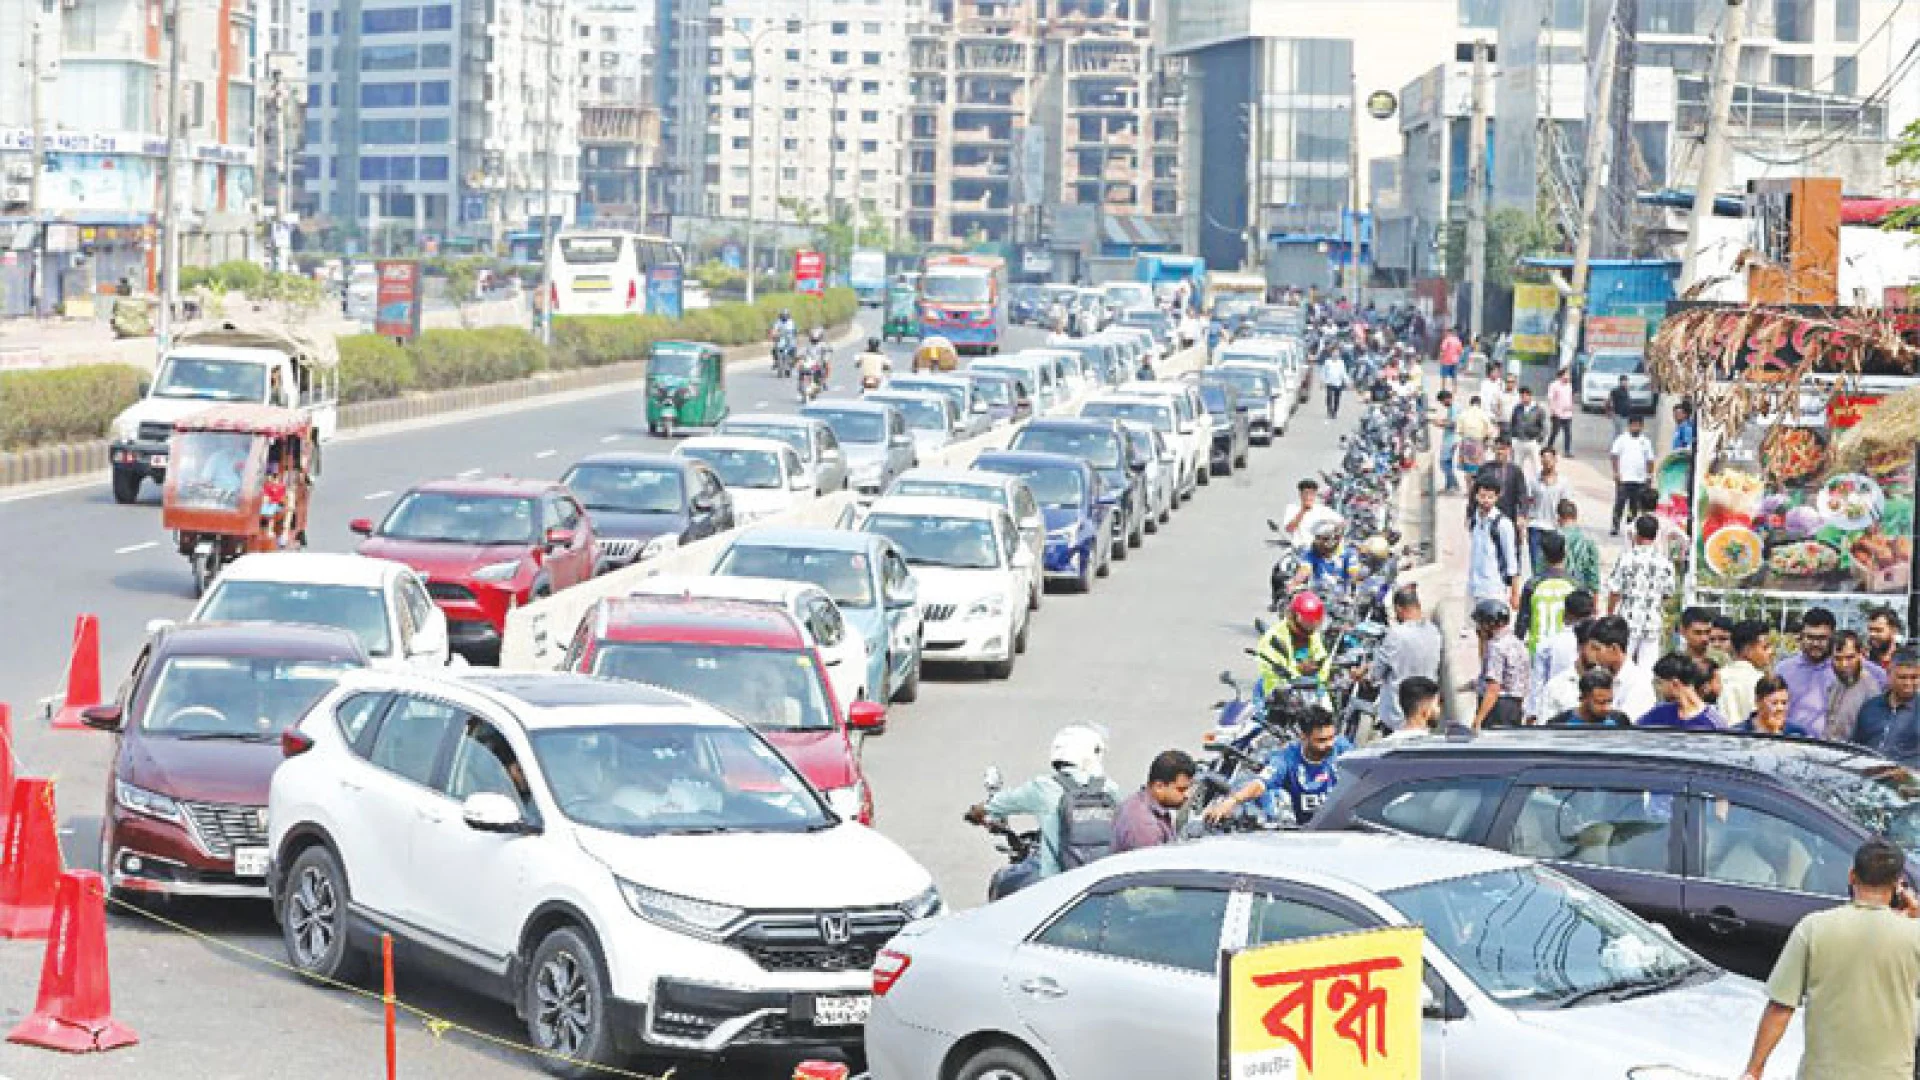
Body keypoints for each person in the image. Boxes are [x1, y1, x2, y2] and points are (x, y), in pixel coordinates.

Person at [1738, 838, 1920, 1080]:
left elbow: (1780, 1007)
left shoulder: (1813, 928)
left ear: (1852, 876)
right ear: (1898, 885)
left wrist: (1754, 1069)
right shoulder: (1914, 934)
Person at [965, 725, 1121, 880]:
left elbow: (999, 804)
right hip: (1103, 882)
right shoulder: (1110, 789)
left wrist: (977, 812)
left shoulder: (1043, 787)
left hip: (1057, 884)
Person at [1204, 708, 1352, 826]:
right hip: (1306, 832)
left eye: (1332, 737)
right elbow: (1260, 784)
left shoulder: (1343, 748)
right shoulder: (1286, 758)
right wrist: (1232, 801)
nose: (1329, 744)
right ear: (1304, 737)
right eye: (1321, 740)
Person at [1368, 585, 1442, 736]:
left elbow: (1376, 674)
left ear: (1399, 609)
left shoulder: (1396, 635)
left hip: (1399, 714)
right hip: (1425, 710)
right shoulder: (1434, 632)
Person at [1606, 515, 1675, 667]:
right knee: (1647, 670)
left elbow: (1615, 590)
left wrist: (1610, 614)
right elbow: (1668, 594)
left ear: (1636, 534)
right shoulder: (1665, 562)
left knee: (1622, 665)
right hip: (1652, 622)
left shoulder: (1626, 559)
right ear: (1656, 535)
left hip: (1628, 621)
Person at [1527, 590, 1593, 723]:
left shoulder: (1548, 644)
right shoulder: (1599, 644)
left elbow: (1538, 683)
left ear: (1565, 614)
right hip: (1590, 709)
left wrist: (1532, 714)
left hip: (1555, 706)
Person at [1111, 750, 1195, 854]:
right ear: (1159, 787)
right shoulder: (1143, 824)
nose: (1187, 795)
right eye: (1181, 790)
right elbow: (1156, 866)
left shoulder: (1147, 804)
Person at [1776, 607, 1840, 738]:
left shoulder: (1843, 670)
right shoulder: (1783, 670)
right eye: (1810, 637)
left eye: (1822, 638)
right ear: (1801, 636)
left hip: (1831, 748)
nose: (1815, 643)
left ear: (1833, 637)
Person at [1854, 646, 1920, 766]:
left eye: (1914, 677)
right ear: (1889, 675)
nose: (1908, 683)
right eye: (1902, 677)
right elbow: (1855, 748)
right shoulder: (1869, 708)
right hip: (1867, 778)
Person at [1472, 599, 1530, 729]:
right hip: (1515, 706)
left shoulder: (1496, 647)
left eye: (1481, 623)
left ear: (1490, 623)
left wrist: (1479, 719)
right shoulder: (1517, 643)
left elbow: (1493, 687)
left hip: (1497, 708)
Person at [1516, 531, 1576, 655]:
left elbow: (1522, 623)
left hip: (1537, 651)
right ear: (1565, 553)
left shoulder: (1532, 585)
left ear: (1542, 555)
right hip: (1567, 653)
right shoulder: (1574, 585)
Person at [1256, 592, 1330, 690]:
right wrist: (1299, 670)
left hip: (1307, 691)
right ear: (1294, 616)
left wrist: (1318, 677)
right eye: (1306, 621)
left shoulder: (1313, 635)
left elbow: (1323, 660)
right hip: (1275, 692)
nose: (1310, 626)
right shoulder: (1275, 636)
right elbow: (1271, 670)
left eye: (1314, 622)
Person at [1824, 630, 1888, 743]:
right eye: (1838, 658)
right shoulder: (1836, 684)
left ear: (1860, 654)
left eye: (1850, 658)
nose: (1844, 664)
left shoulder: (1871, 691)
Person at [1589, 615, 1658, 719]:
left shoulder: (1639, 685)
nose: (1592, 654)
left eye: (1597, 649)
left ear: (1614, 649)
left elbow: (1625, 727)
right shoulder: (1595, 675)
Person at [1468, 475, 1522, 607]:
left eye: (1490, 497)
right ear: (1476, 496)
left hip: (1493, 590)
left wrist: (1515, 594)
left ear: (1497, 498)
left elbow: (1512, 561)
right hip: (1473, 588)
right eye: (1482, 496)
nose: (1486, 500)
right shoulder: (1475, 520)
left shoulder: (1503, 524)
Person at [1638, 653, 1727, 729]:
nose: (1658, 688)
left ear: (1674, 684)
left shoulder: (1713, 723)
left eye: (1659, 683)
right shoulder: (1659, 713)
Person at [1719, 619, 1774, 728]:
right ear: (1747, 650)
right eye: (1765, 647)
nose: (1771, 652)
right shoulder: (1761, 681)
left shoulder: (1718, 676)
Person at [1524, 449, 1569, 573]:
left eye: (1549, 459)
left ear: (1555, 460)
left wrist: (1565, 524)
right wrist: (1524, 523)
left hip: (1554, 528)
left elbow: (1564, 504)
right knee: (1536, 565)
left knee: (1553, 566)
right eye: (1544, 459)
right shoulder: (1533, 481)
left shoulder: (1563, 482)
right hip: (1536, 526)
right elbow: (1527, 502)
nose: (1546, 462)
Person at [1610, 414, 1656, 535]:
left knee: (1634, 505)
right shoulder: (1621, 439)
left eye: (1638, 425)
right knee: (1620, 503)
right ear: (1629, 425)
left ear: (1642, 426)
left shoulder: (1645, 442)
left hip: (1639, 479)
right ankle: (1615, 525)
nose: (1635, 427)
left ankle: (1631, 526)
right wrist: (1616, 472)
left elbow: (1650, 460)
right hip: (1624, 478)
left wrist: (1649, 475)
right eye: (1633, 425)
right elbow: (1614, 456)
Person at [1293, 519, 1360, 597]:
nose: (1317, 542)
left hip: (1341, 601)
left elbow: (1354, 574)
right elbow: (1303, 571)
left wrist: (1353, 592)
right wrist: (1293, 584)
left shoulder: (1349, 553)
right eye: (1317, 537)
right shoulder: (1311, 553)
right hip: (1317, 598)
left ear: (1335, 539)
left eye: (1322, 538)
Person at [1550, 669, 1632, 727]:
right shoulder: (1558, 726)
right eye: (1600, 702)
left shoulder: (1620, 721)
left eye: (1609, 701)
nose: (1607, 708)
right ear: (1583, 698)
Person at [1281, 478, 1344, 551]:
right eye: (1305, 493)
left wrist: (1332, 535)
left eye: (1311, 493)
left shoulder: (1322, 510)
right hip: (1298, 550)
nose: (1308, 496)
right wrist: (1303, 511)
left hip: (1319, 551)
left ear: (1315, 495)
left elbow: (1341, 522)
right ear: (1300, 494)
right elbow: (1289, 528)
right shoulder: (1292, 508)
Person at [1740, 675, 1810, 737]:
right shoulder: (1738, 735)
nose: (1780, 708)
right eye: (1774, 703)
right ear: (1758, 702)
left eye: (1784, 703)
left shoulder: (1798, 734)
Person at [1557, 498, 1601, 594]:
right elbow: (1593, 572)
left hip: (1558, 590)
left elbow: (1542, 569)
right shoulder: (1589, 540)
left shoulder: (1554, 538)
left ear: (1558, 518)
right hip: (1581, 592)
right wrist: (1595, 599)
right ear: (1576, 516)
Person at [1509, 385, 1547, 479]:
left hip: (1532, 441)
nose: (1524, 398)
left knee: (1537, 466)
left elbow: (1544, 427)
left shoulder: (1538, 409)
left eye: (1526, 395)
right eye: (1522, 396)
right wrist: (1513, 438)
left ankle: (1539, 484)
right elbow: (1513, 423)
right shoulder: (1517, 408)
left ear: (1530, 396)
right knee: (1517, 466)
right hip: (1519, 441)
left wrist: (1538, 440)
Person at [1455, 394, 1493, 481]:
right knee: (1478, 468)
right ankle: (1476, 490)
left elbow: (1459, 431)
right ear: (1479, 404)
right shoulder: (1483, 413)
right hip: (1478, 443)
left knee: (1468, 469)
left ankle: (1469, 491)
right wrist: (1487, 441)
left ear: (1470, 403)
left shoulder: (1463, 413)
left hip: (1466, 443)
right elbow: (1490, 431)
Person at [1433, 389, 1460, 494]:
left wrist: (1439, 424)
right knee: (1447, 463)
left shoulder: (1454, 408)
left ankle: (1453, 485)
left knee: (1444, 463)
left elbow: (1453, 424)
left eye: (1442, 401)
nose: (1442, 404)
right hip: (1450, 439)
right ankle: (1449, 486)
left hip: (1452, 440)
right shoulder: (1453, 408)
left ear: (1447, 399)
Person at [1546, 366, 1576, 456]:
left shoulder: (1569, 385)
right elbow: (1550, 398)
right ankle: (1549, 448)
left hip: (1567, 414)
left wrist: (1571, 407)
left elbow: (1570, 397)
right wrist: (1553, 410)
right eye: (1567, 374)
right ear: (1562, 375)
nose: (1568, 376)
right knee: (1555, 432)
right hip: (1557, 413)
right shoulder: (1554, 385)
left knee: (1568, 433)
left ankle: (1567, 451)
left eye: (1569, 375)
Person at [1322, 346, 1349, 418]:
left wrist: (1347, 381)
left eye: (1337, 353)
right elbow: (1324, 372)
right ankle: (1329, 410)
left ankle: (1335, 412)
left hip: (1338, 383)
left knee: (1337, 399)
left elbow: (1343, 372)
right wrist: (1323, 381)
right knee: (1329, 397)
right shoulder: (1327, 361)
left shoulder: (1341, 362)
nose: (1335, 354)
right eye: (1334, 352)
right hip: (1329, 382)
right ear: (1331, 353)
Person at [1606, 375, 1635, 440]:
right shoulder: (1615, 391)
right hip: (1618, 414)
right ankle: (1616, 446)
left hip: (1626, 415)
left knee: (1621, 432)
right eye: (1623, 381)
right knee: (1619, 432)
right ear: (1620, 382)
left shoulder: (1626, 391)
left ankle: (1619, 447)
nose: (1625, 383)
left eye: (1626, 381)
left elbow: (1628, 402)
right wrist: (1609, 412)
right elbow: (1609, 401)